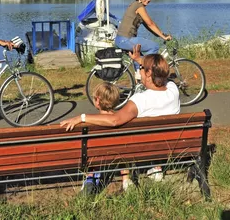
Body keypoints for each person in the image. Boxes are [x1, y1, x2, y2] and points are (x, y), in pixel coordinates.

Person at [60, 46, 180, 187]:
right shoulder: (173, 89)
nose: (139, 70)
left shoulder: (140, 100)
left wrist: (82, 117)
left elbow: (115, 120)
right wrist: (139, 60)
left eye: (141, 68)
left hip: (144, 148)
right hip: (170, 145)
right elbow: (162, 77)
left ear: (148, 73)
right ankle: (156, 167)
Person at [115, 0, 172, 76]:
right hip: (126, 39)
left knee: (139, 57)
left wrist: (161, 34)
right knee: (154, 47)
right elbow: (150, 24)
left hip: (121, 40)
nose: (148, 0)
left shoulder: (135, 5)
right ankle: (141, 73)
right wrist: (163, 37)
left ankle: (139, 78)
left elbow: (148, 26)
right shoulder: (139, 6)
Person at [81, 82, 120, 195]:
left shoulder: (90, 123)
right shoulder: (121, 119)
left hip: (96, 156)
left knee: (90, 149)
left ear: (97, 100)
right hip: (118, 155)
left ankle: (90, 177)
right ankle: (126, 178)